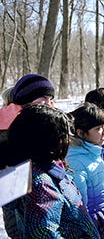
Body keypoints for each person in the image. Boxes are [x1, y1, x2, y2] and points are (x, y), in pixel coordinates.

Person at [5, 104, 100, 238]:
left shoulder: (39, 168)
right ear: (45, 139)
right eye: (62, 134)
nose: (67, 139)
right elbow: (44, 233)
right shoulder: (41, 184)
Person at [0, 73, 56, 238]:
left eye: (49, 99)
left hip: (48, 199)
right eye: (40, 101)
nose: (46, 104)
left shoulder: (48, 120)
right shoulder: (6, 128)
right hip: (20, 200)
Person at [66, 103, 104, 238]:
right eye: (98, 128)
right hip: (95, 227)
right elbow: (79, 208)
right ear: (80, 133)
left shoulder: (95, 150)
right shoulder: (76, 162)